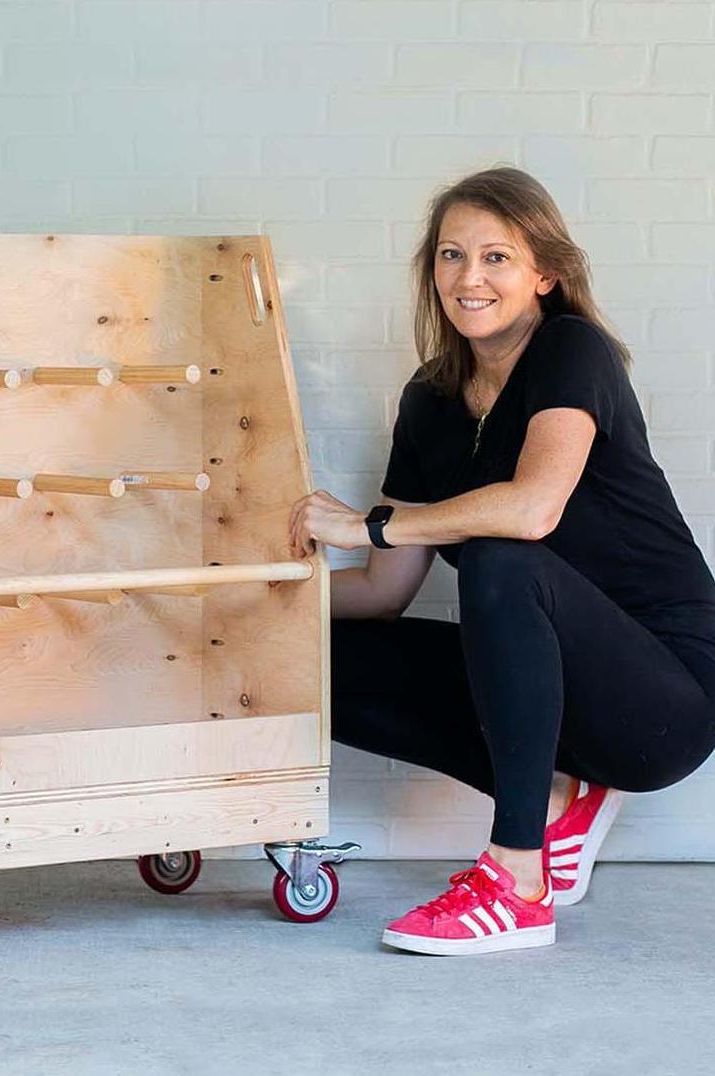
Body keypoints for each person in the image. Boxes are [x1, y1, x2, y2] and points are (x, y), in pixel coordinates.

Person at [287, 166, 715, 956]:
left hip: (665, 698)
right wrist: (255, 597)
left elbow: (531, 509)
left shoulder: (569, 349)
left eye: (495, 258)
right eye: (451, 256)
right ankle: (555, 802)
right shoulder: (427, 401)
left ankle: (518, 881)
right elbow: (383, 592)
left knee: (499, 555)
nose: (468, 278)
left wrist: (372, 525)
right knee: (302, 654)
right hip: (556, 695)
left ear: (543, 274)